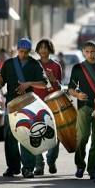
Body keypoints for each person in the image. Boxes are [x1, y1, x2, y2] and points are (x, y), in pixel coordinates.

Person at [0, 38, 48, 178]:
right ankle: (13, 167)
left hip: (28, 106)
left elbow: (44, 83)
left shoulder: (35, 65)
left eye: (26, 52)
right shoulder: (8, 64)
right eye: (21, 51)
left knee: (27, 135)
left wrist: (28, 83)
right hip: (11, 105)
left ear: (30, 51)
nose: (23, 54)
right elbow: (0, 84)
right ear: (17, 50)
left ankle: (28, 168)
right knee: (10, 138)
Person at [67, 40, 95, 179]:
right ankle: (80, 165)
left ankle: (92, 169)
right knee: (83, 137)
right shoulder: (78, 68)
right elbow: (70, 89)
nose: (90, 54)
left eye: (92, 51)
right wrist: (78, 95)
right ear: (83, 52)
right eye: (87, 52)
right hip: (84, 107)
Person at [33, 39, 62, 175]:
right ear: (38, 50)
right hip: (36, 103)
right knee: (35, 133)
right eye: (41, 47)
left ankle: (51, 159)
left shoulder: (56, 66)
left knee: (55, 134)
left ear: (50, 49)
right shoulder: (33, 65)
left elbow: (59, 88)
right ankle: (39, 165)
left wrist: (53, 79)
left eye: (46, 47)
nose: (43, 50)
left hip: (52, 103)